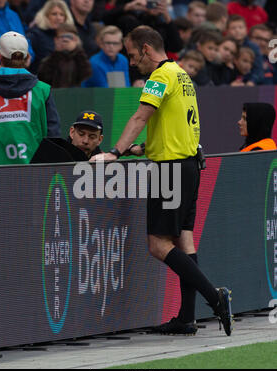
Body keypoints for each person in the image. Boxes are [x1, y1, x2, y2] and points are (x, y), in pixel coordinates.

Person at [90, 25, 233, 336]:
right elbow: (172, 126)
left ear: (145, 49)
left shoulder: (159, 76)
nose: (130, 62)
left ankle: (215, 296)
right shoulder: (181, 74)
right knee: (184, 240)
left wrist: (115, 152)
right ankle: (186, 318)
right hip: (190, 165)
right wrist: (138, 149)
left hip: (169, 170)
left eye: (131, 55)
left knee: (157, 245)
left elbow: (141, 116)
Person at [0, 31, 61, 166]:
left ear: (0, 57)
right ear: (27, 57)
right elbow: (54, 137)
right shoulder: (42, 91)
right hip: (33, 176)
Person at [31, 110, 104, 163]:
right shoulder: (51, 155)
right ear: (72, 132)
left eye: (92, 137)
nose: (85, 141)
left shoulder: (105, 164)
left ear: (100, 140)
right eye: (81, 134)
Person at [26, 0, 75, 74]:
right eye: (54, 14)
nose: (58, 18)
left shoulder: (70, 36)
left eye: (62, 15)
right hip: (40, 82)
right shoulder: (35, 35)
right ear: (45, 16)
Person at [37, 23, 91, 88]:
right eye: (62, 37)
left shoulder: (81, 58)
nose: (65, 40)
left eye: (69, 37)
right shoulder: (48, 60)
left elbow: (86, 76)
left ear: (76, 40)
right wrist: (57, 53)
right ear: (55, 39)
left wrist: (78, 50)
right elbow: (44, 79)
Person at [226, 14, 264, 85]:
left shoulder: (254, 47)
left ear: (246, 29)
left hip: (249, 84)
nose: (237, 30)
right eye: (233, 28)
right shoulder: (225, 45)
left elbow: (258, 69)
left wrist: (252, 81)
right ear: (227, 31)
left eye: (240, 27)